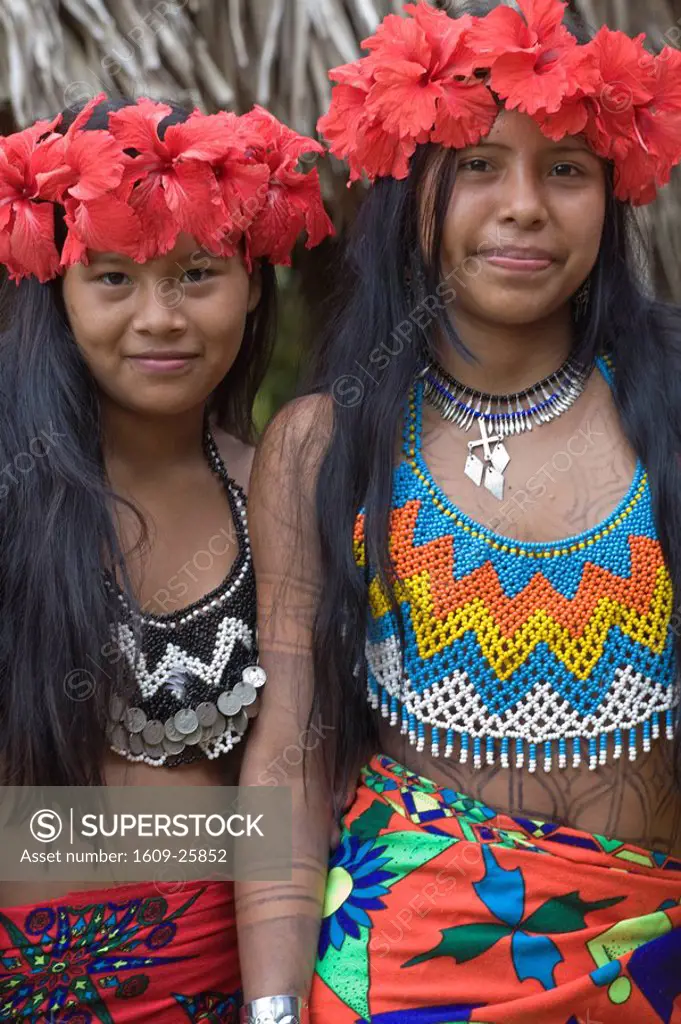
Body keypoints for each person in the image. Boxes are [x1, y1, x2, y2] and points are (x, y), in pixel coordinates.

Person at [237, 1, 681, 1021]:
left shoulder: (668, 408)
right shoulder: (322, 443)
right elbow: (290, 747)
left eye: (566, 169)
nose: (524, 205)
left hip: (646, 964)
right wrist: (270, 1007)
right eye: (479, 164)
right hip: (396, 967)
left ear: (614, 196)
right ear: (408, 195)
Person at [0, 93, 332, 1021]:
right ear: (54, 286)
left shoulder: (281, 490)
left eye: (197, 273)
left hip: (229, 988)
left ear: (256, 280)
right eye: (112, 278)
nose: (160, 316)